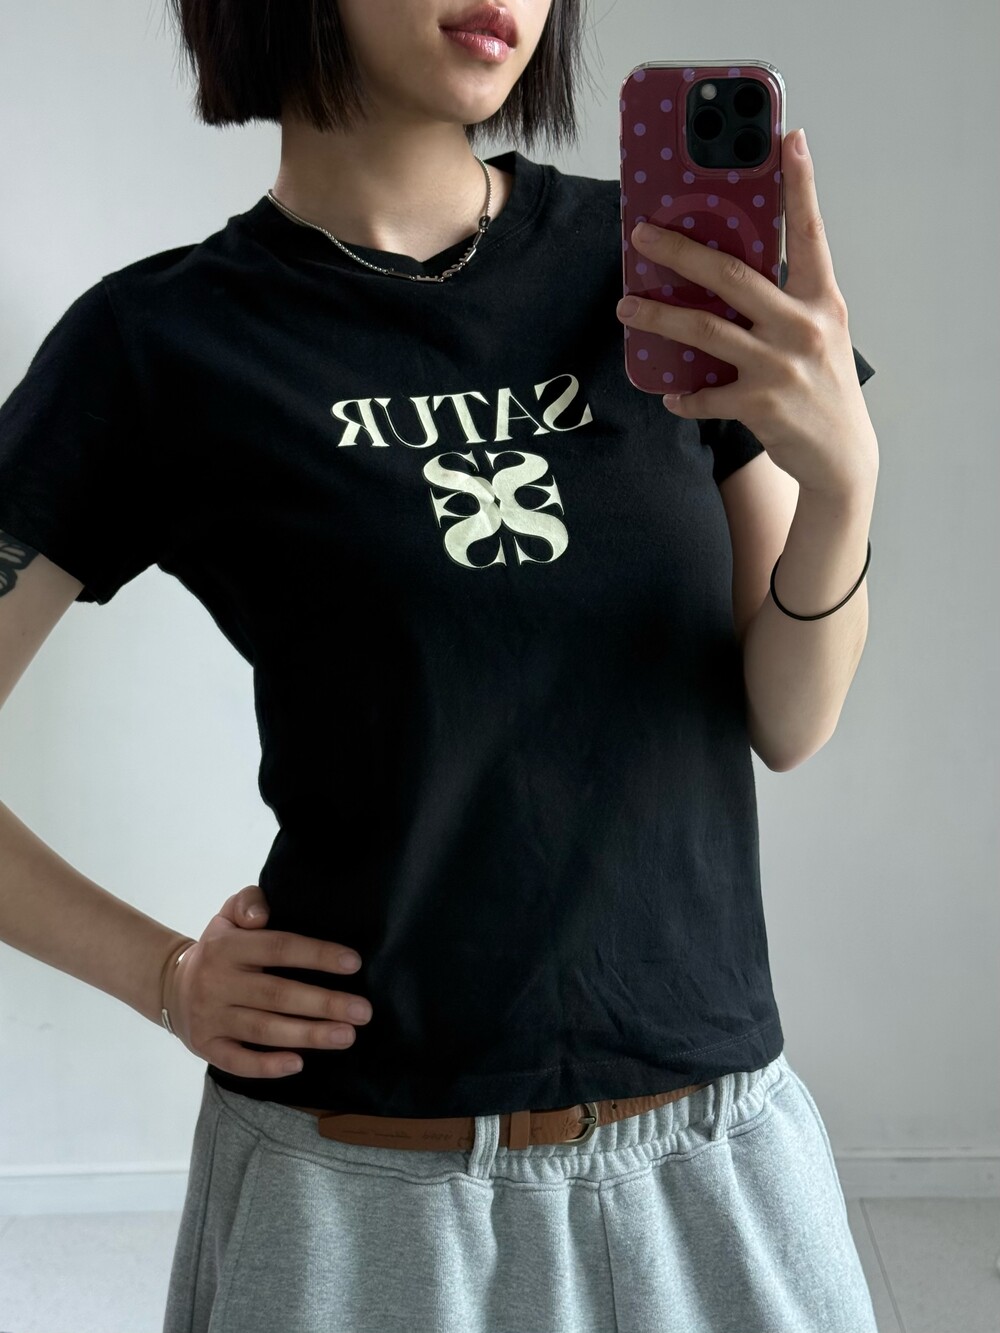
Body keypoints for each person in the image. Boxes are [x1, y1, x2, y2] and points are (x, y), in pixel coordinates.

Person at [0, 2, 882, 1330]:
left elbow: (789, 717)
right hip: (364, 1184)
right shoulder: (158, 346)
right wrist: (165, 976)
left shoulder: (664, 270)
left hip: (708, 1151)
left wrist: (844, 488)